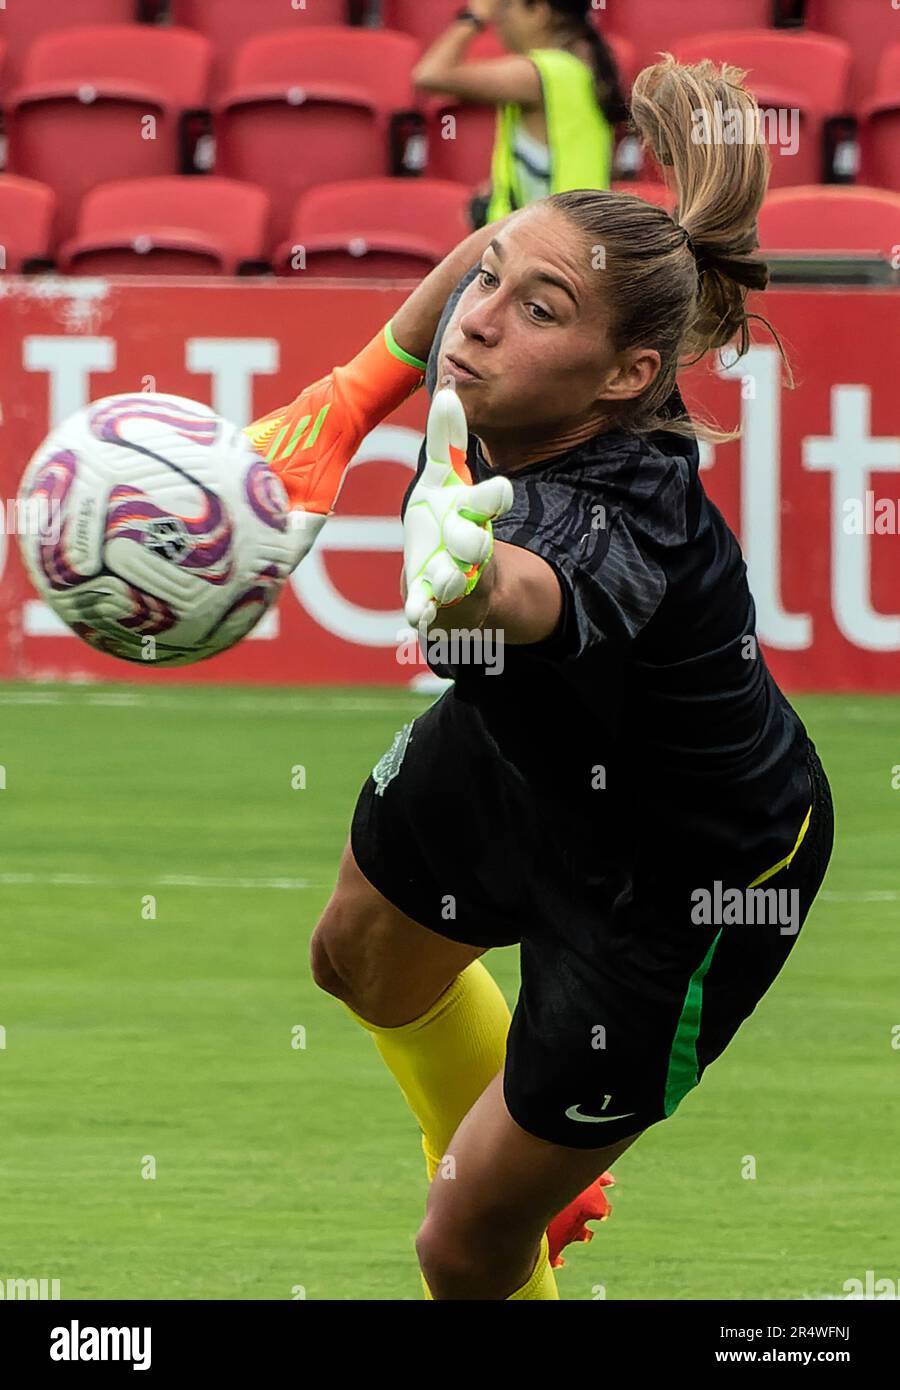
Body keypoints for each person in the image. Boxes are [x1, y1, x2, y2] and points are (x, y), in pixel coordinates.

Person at [248, 55, 835, 1301]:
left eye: (539, 307)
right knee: (356, 951)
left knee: (460, 1241)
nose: (484, 313)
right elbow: (476, 276)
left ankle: (518, 1181)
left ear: (627, 378)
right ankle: (528, 1165)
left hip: (686, 876)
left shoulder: (628, 513)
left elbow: (540, 590)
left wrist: (466, 577)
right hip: (530, 756)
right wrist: (349, 400)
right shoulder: (508, 353)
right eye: (491, 274)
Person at [412, 0, 627, 228]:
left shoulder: (542, 72)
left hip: (547, 243)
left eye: (505, 8)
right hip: (571, 235)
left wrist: (474, 16)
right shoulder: (580, 67)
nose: (499, 21)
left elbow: (429, 75)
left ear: (538, 12)